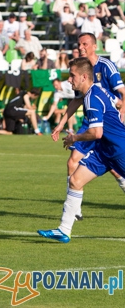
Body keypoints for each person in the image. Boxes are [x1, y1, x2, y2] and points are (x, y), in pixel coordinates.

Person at [38, 57, 125, 243]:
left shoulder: (93, 98)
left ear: (84, 77)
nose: (69, 80)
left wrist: (74, 138)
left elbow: (96, 132)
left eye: (72, 75)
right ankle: (64, 230)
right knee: (76, 180)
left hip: (119, 150)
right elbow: (117, 103)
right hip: (105, 152)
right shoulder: (94, 92)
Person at [51, 33, 125, 218]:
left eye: (84, 44)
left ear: (94, 45)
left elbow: (122, 94)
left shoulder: (105, 66)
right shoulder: (80, 70)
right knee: (72, 162)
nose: (81, 47)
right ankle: (74, 212)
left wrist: (122, 114)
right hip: (90, 125)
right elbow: (77, 101)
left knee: (115, 166)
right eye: (79, 44)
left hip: (109, 125)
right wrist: (60, 124)